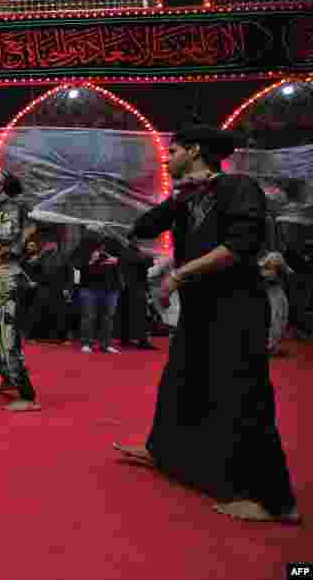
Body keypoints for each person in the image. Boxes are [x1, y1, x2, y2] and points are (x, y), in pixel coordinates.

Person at [114, 125, 299, 523]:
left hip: (237, 308)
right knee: (181, 382)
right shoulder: (187, 198)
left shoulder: (238, 187)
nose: (167, 157)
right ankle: (165, 453)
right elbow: (142, 228)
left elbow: (240, 245)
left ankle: (271, 499)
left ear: (195, 151)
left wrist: (179, 276)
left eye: (174, 150)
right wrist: (177, 198)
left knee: (243, 394)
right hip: (199, 310)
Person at [0, 173, 40, 411]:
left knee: (6, 336)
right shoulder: (3, 209)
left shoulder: (12, 207)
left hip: (7, 278)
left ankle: (28, 394)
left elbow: (8, 234)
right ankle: (8, 376)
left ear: (3, 188)